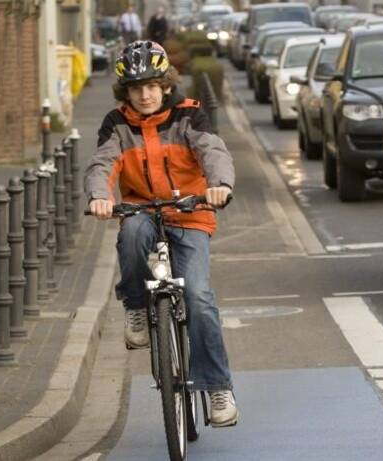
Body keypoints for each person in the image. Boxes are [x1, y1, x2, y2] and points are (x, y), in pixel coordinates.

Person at [84, 41, 238, 427]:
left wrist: (219, 185)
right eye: (136, 88)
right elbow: (102, 163)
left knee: (200, 296)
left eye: (152, 85)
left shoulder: (190, 116)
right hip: (141, 210)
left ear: (166, 85)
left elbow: (214, 152)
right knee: (132, 233)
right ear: (126, 92)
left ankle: (217, 387)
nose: (145, 94)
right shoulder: (116, 123)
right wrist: (99, 197)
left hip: (191, 214)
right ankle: (136, 307)